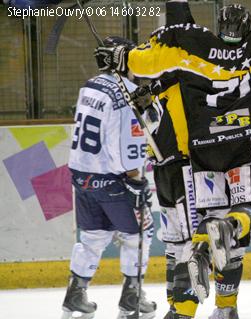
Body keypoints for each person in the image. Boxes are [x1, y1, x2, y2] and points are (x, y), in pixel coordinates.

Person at [94, 1, 251, 318]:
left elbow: (163, 49)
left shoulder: (194, 48)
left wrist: (124, 61)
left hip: (203, 154)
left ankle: (210, 302)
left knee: (215, 240)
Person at [62, 36, 157, 319]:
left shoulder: (89, 86)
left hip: (82, 175)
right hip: (112, 178)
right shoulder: (125, 93)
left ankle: (75, 294)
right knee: (139, 234)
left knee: (92, 236)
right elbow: (127, 143)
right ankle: (132, 297)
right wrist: (134, 180)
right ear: (123, 59)